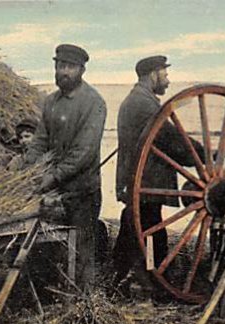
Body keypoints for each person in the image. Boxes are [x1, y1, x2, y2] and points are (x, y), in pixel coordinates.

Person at [112, 55, 205, 290]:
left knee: (137, 229)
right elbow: (171, 138)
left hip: (138, 182)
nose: (167, 80)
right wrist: (206, 155)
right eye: (165, 74)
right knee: (151, 234)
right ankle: (152, 277)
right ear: (153, 74)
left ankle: (123, 278)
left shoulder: (136, 101)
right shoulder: (144, 104)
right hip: (146, 183)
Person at [19, 43, 107, 290]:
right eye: (59, 66)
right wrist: (26, 172)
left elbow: (84, 152)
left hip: (82, 190)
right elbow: (40, 141)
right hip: (55, 191)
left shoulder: (94, 103)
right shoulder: (50, 102)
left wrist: (52, 178)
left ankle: (84, 303)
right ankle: (56, 295)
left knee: (81, 249)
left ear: (81, 70)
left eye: (69, 67)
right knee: (52, 246)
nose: (63, 72)